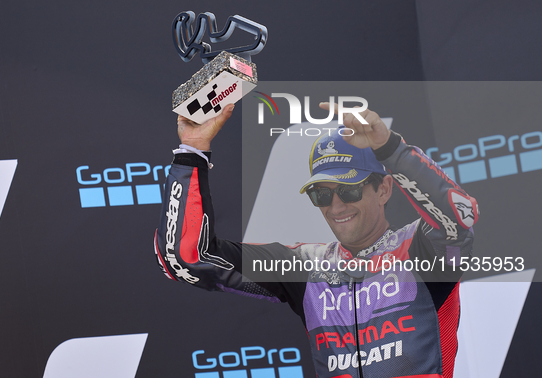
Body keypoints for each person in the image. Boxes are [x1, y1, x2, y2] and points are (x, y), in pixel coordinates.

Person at [155, 103, 479, 378]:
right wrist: (192, 150)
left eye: (349, 189)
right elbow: (187, 257)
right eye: (321, 194)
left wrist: (391, 148)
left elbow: (460, 217)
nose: (336, 206)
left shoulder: (422, 249)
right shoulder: (305, 266)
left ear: (383, 189)